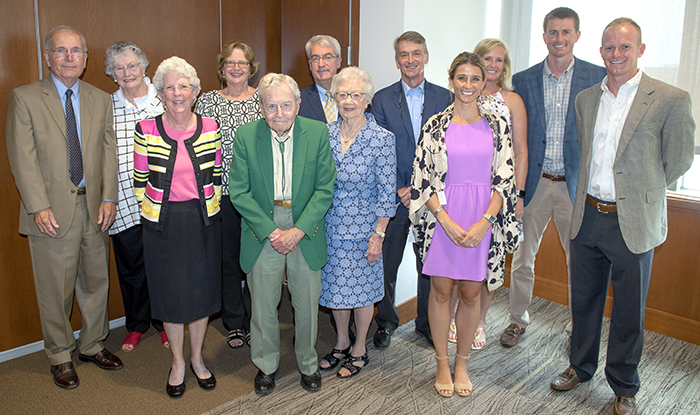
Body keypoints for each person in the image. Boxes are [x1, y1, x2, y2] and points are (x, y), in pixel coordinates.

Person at [549, 18, 695, 415]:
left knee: (629, 309)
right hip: (588, 216)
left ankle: (625, 385)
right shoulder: (586, 99)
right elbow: (587, 150)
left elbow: (678, 158)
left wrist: (640, 189)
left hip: (633, 220)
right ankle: (580, 366)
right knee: (584, 302)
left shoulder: (669, 98)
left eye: (625, 47)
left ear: (641, 50)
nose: (616, 55)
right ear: (600, 52)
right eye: (609, 47)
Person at [6, 25, 122, 390]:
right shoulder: (25, 97)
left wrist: (109, 197)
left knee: (96, 281)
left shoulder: (100, 99)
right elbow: (21, 159)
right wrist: (37, 207)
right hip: (51, 212)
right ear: (47, 56)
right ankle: (59, 353)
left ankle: (91, 344)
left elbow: (108, 152)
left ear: (86, 59)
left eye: (76, 51)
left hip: (93, 207)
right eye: (61, 50)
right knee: (55, 288)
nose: (69, 57)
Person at [410, 52, 518, 398]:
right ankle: (442, 362)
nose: (468, 85)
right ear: (451, 80)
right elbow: (422, 179)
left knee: (472, 292)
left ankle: (462, 363)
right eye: (462, 78)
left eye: (475, 78)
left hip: (482, 217)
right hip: (444, 218)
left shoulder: (498, 124)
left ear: (484, 81)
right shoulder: (435, 125)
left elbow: (505, 178)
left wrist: (485, 222)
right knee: (441, 292)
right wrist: (444, 220)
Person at [500, 7, 606, 348]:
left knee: (579, 262)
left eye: (566, 32)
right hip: (536, 183)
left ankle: (579, 327)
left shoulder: (597, 76)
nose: (559, 39)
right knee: (522, 258)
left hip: (576, 187)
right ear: (544, 36)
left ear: (577, 35)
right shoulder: (525, 80)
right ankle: (517, 319)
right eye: (553, 32)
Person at [230, 73, 336, 396]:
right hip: (263, 224)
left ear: (298, 105)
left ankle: (307, 362)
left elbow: (325, 188)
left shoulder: (317, 132)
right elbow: (239, 191)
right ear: (261, 107)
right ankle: (266, 365)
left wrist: (299, 229)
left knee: (306, 302)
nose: (279, 113)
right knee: (263, 303)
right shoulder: (247, 136)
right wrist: (272, 230)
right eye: (272, 106)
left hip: (306, 223)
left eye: (286, 105)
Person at [134, 56, 222, 398]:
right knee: (170, 297)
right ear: (160, 93)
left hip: (202, 222)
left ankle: (198, 359)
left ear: (195, 91)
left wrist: (209, 209)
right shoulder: (147, 129)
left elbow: (214, 174)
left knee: (200, 295)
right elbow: (141, 181)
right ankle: (177, 363)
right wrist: (154, 214)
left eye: (183, 86)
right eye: (169, 87)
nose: (176, 93)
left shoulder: (211, 127)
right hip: (163, 225)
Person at [370, 30, 452, 350]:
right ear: (396, 61)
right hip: (395, 196)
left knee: (428, 266)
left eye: (416, 53)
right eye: (404, 54)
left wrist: (423, 187)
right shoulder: (382, 99)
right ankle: (387, 321)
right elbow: (379, 150)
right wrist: (400, 188)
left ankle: (426, 322)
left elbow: (448, 150)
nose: (410, 60)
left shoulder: (445, 98)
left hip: (431, 199)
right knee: (387, 265)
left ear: (426, 57)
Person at [447, 38, 528, 348]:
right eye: (487, 59)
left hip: (500, 195)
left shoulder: (512, 101)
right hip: (463, 193)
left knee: (489, 260)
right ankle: (455, 317)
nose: (493, 65)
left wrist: (517, 195)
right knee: (461, 255)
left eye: (499, 60)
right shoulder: (464, 95)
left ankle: (480, 321)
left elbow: (520, 152)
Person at [318, 67, 396, 378]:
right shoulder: (323, 135)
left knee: (362, 291)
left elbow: (387, 191)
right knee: (336, 289)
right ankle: (340, 342)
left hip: (365, 231)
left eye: (355, 95)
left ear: (367, 100)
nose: (348, 101)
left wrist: (378, 235)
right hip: (329, 227)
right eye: (342, 95)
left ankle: (360, 346)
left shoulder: (381, 139)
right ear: (334, 98)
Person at [195, 41, 262, 350]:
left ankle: (256, 320)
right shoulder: (207, 102)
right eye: (230, 63)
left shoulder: (263, 100)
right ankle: (234, 322)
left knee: (256, 261)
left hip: (258, 195)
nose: (236, 68)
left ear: (251, 68)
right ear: (222, 68)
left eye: (242, 63)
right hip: (220, 195)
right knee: (228, 262)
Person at [103, 41, 168, 352]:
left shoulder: (165, 100)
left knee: (164, 262)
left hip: (165, 199)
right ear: (112, 74)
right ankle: (137, 324)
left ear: (144, 67)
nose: (127, 72)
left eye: (132, 65)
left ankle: (166, 321)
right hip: (125, 199)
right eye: (119, 67)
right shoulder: (106, 107)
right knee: (131, 264)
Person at [299, 35, 342, 123]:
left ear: (338, 62)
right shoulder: (298, 100)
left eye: (328, 57)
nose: (321, 64)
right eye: (316, 58)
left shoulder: (354, 97)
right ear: (310, 65)